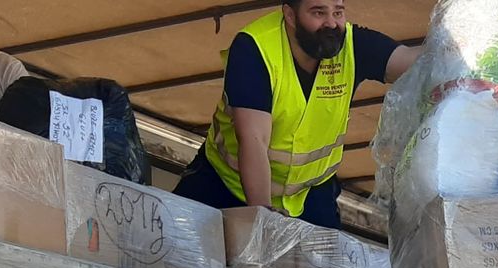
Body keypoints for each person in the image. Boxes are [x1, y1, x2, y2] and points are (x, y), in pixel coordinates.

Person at [173, 0, 420, 229]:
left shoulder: (353, 44)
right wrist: (262, 216)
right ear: (290, 15)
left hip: (309, 193)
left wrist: (444, 35)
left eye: (338, 12)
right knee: (177, 243)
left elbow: (415, 64)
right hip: (226, 184)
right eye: (318, 12)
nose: (331, 23)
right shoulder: (256, 48)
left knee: (326, 262)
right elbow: (254, 140)